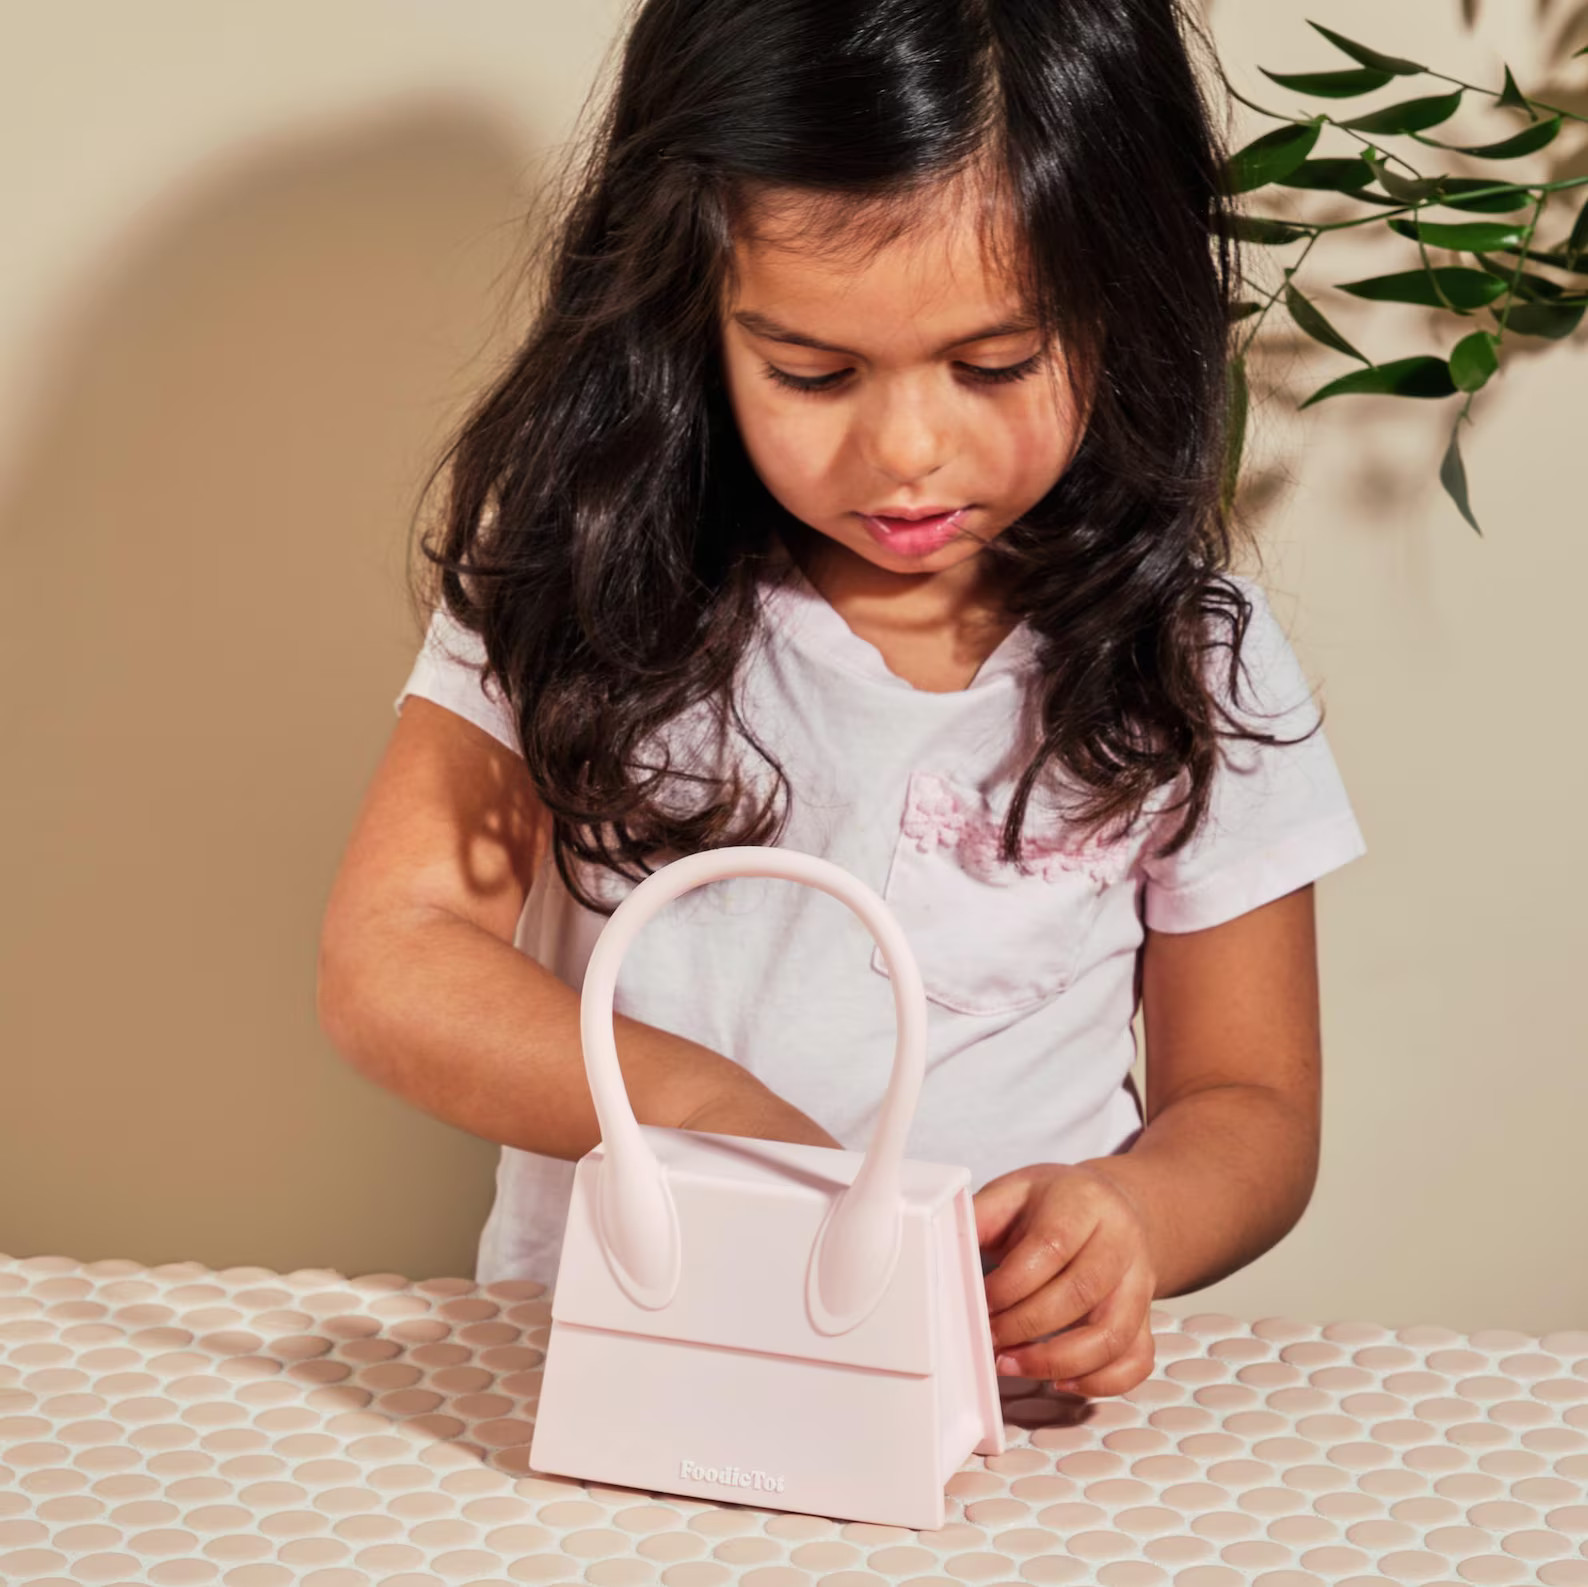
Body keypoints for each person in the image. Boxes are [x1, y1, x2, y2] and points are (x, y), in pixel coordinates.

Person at [318, 0, 1367, 1400]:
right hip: (626, 1378)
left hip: (993, 1412)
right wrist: (700, 1112)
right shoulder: (582, 583)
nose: (909, 454)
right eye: (812, 371)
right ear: (693, 307)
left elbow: (1252, 1102)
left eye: (996, 365)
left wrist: (1134, 1224)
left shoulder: (1187, 659)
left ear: (1127, 294)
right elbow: (393, 957)